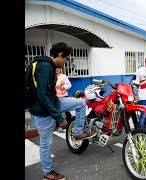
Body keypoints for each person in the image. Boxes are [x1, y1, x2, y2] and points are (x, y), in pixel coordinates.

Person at [29, 42, 96, 180]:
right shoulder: (45, 67)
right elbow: (42, 95)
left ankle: (77, 133)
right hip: (42, 111)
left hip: (54, 103)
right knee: (46, 143)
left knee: (80, 103)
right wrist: (58, 117)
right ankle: (48, 172)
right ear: (60, 55)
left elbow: (48, 91)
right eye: (66, 58)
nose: (66, 62)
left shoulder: (48, 66)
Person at [55, 67, 72, 132]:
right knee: (58, 112)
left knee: (68, 111)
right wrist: (59, 84)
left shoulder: (64, 76)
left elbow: (70, 85)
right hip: (56, 96)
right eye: (56, 68)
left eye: (59, 68)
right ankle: (59, 126)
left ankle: (69, 125)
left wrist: (64, 87)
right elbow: (52, 85)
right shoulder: (52, 76)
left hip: (64, 95)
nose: (57, 69)